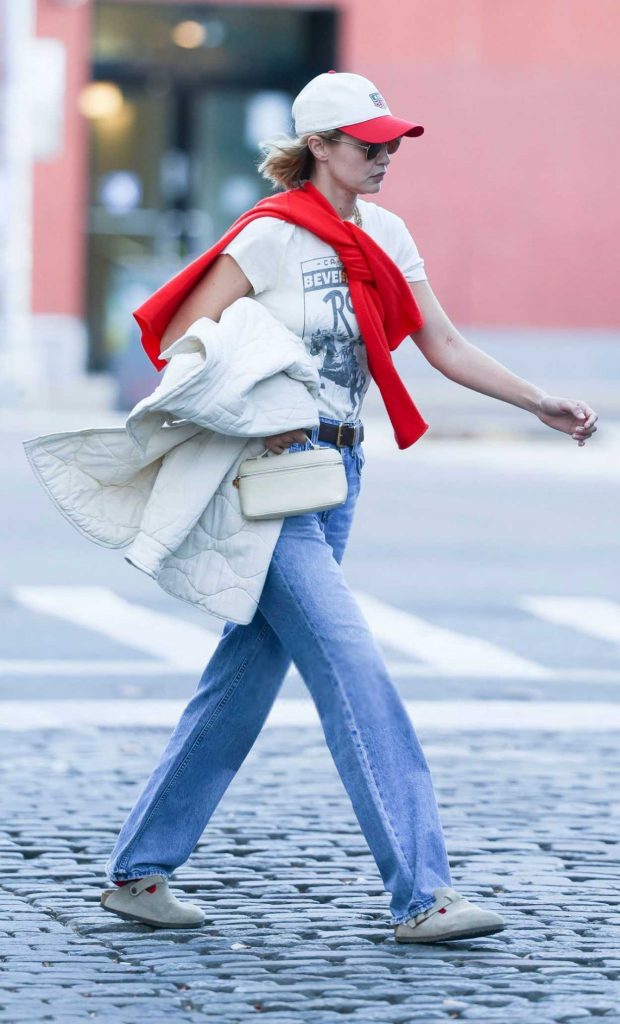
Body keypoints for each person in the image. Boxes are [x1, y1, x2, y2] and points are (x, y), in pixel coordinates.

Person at [100, 71, 598, 943]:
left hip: (338, 479)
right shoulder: (268, 238)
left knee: (240, 682)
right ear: (319, 148)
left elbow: (438, 341)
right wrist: (262, 409)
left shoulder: (387, 233)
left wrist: (537, 401)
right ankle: (423, 895)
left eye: (392, 144)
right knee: (354, 672)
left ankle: (140, 874)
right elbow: (187, 347)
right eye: (368, 145)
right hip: (270, 479)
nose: (385, 158)